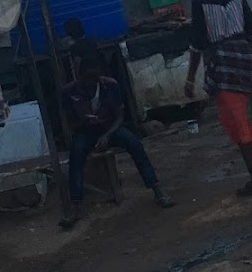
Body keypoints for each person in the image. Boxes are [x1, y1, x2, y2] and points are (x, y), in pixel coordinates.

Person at [183, 0, 252, 196]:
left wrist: (190, 78)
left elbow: (197, 45)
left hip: (222, 62)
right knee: (241, 114)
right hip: (243, 58)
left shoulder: (199, 1)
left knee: (235, 119)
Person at [60, 61, 173, 228]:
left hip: (110, 127)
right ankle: (76, 205)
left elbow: (120, 116)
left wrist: (107, 135)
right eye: (86, 81)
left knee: (135, 144)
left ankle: (156, 189)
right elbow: (69, 121)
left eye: (93, 80)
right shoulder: (69, 92)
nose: (90, 85)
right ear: (80, 77)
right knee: (76, 155)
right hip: (85, 130)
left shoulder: (110, 85)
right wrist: (83, 121)